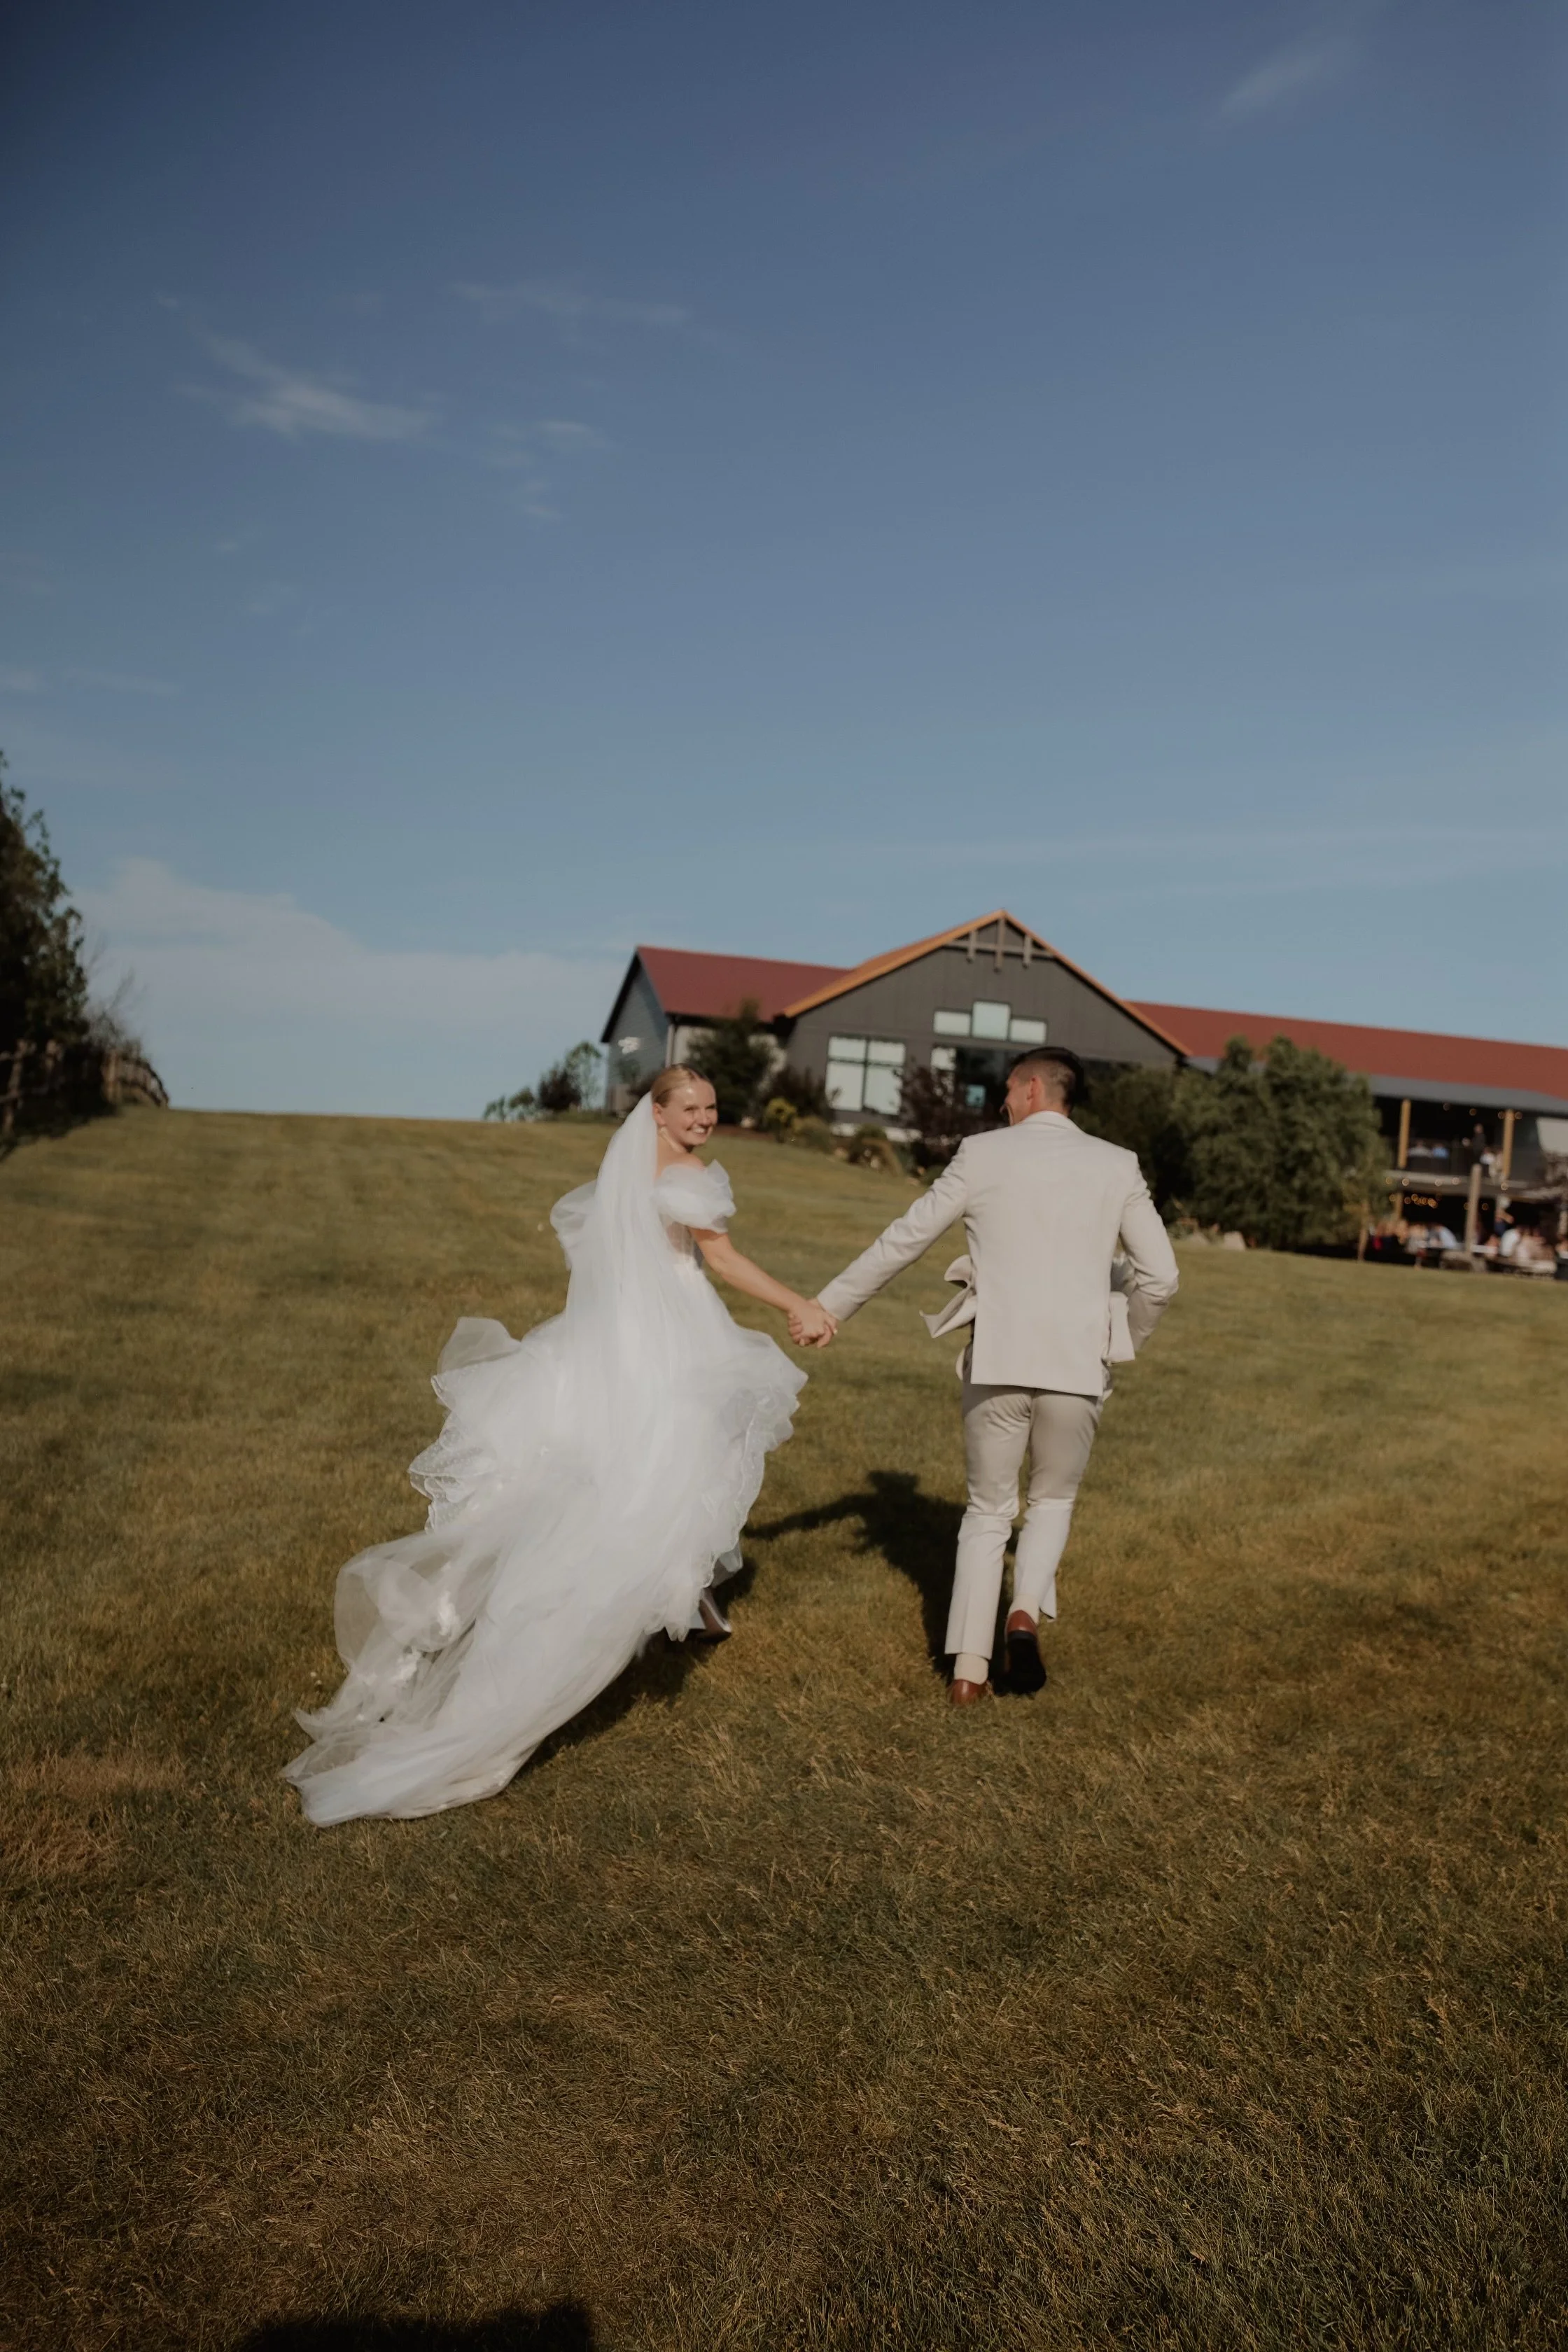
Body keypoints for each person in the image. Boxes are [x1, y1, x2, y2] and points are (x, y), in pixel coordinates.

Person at [285, 1068, 834, 1823]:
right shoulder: (687, 1176)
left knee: (633, 1475)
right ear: (659, 1113)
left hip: (617, 1337)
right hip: (672, 1340)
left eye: (712, 1106)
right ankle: (621, 1618)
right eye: (691, 1109)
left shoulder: (624, 1169)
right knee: (666, 1477)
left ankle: (692, 1599)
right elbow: (726, 1261)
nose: (705, 1118)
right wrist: (799, 1304)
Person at [806, 1048, 1179, 1704]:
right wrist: (1121, 1340)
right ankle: (1024, 1612)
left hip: (998, 1362)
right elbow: (1162, 1278)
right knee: (1052, 1501)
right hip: (1076, 1370)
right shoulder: (1117, 1164)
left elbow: (906, 1238)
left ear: (1032, 1089)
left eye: (1007, 1089)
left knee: (986, 1510)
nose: (1002, 1102)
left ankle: (968, 1674)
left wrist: (830, 1305)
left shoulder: (981, 1154)